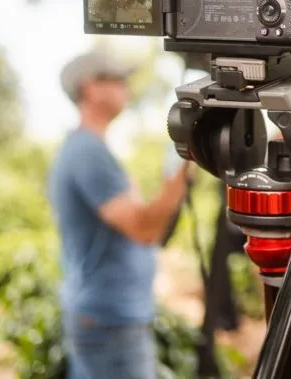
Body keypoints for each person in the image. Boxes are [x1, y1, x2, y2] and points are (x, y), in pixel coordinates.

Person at [48, 50, 193, 379]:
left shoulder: (88, 149)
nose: (126, 87)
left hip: (107, 317)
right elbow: (143, 229)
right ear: (90, 88)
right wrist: (186, 168)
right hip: (110, 321)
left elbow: (149, 231)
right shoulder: (87, 153)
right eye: (116, 79)